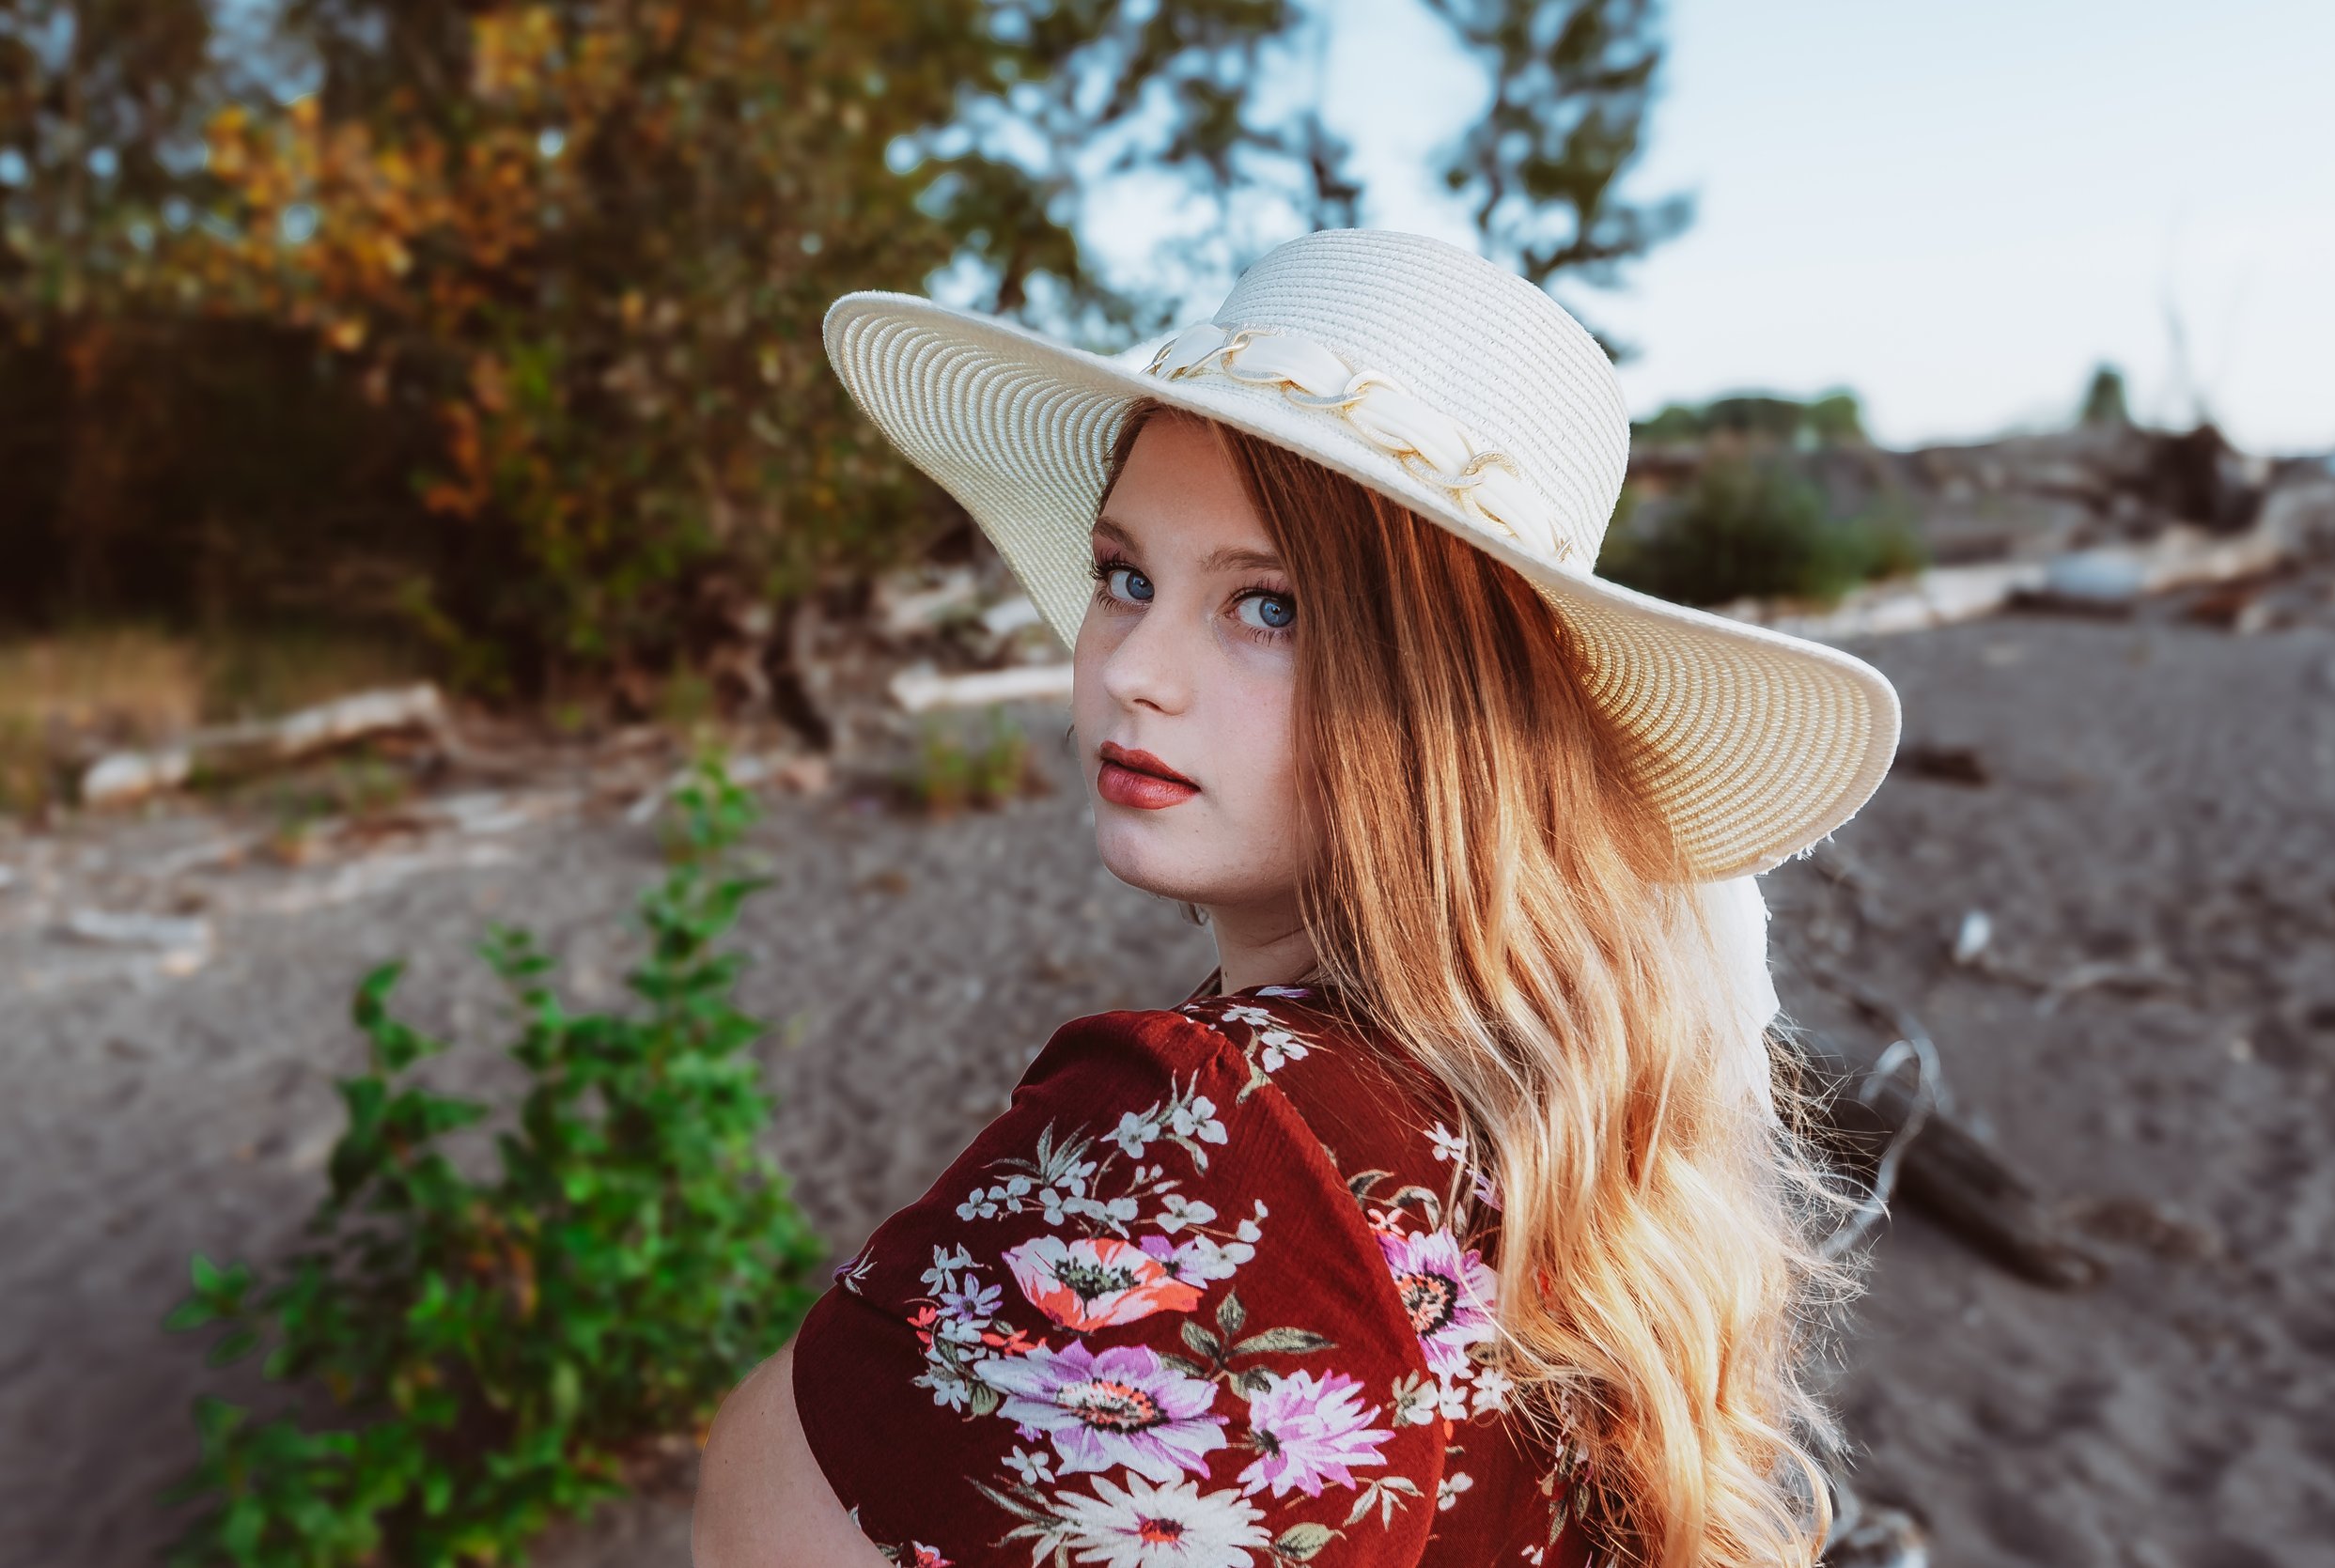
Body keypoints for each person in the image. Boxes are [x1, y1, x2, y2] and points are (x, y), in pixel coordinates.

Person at [693, 228, 1900, 1568]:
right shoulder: (1560, 1097)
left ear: (1451, 701)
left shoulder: (1223, 1126)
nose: (1133, 668)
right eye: (1125, 574)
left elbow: (763, 1506)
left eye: (1267, 606)